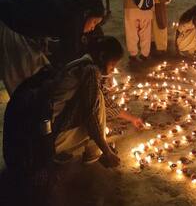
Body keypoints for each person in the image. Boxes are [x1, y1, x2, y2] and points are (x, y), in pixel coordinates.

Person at [3, 36, 143, 174]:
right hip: (44, 140)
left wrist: (132, 119)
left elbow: (106, 104)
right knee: (96, 101)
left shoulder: (81, 62)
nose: (113, 70)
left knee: (97, 98)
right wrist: (107, 152)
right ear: (102, 57)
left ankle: (72, 149)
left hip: (36, 132)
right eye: (112, 65)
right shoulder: (91, 72)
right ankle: (93, 153)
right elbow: (92, 115)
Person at [0, 0, 104, 95]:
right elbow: (71, 58)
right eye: (94, 22)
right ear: (86, 13)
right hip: (9, 21)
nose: (93, 28)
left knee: (35, 66)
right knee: (23, 75)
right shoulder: (73, 18)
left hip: (11, 12)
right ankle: (25, 106)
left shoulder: (69, 6)